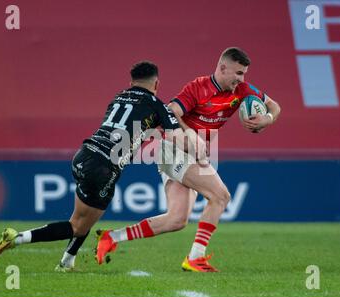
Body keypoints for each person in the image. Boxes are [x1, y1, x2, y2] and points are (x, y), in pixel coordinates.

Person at [0, 61, 196, 271]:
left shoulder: (118, 97)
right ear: (157, 84)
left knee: (84, 219)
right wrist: (196, 147)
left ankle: (66, 262)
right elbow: (177, 139)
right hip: (104, 167)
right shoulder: (156, 104)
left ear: (131, 81)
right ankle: (17, 238)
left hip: (83, 155)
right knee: (77, 226)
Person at [95, 47, 282, 272]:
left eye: (244, 73)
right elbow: (171, 110)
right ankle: (195, 258)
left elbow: (274, 106)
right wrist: (189, 134)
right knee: (220, 196)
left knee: (176, 220)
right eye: (238, 73)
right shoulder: (199, 87)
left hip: (192, 155)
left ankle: (112, 237)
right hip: (174, 149)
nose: (241, 79)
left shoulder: (242, 90)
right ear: (223, 68)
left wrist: (267, 119)